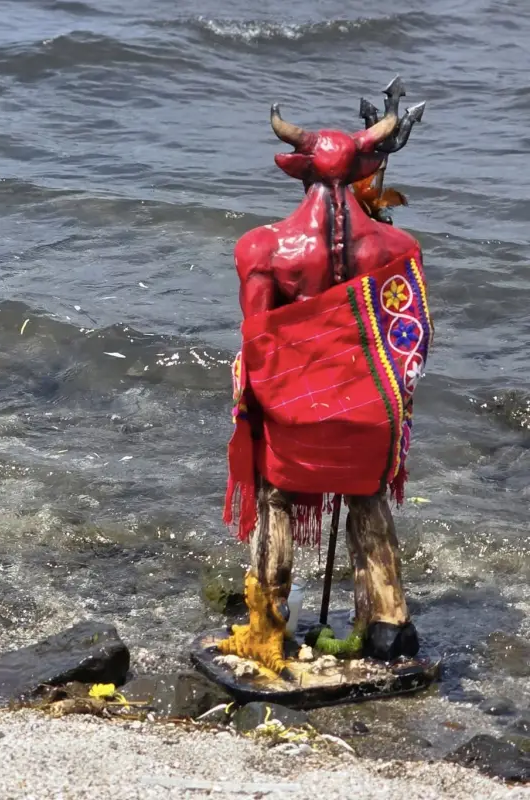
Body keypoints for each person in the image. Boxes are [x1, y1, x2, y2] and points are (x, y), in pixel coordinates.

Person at [220, 78, 430, 669]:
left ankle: (268, 625)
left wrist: (260, 399)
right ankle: (390, 627)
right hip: (368, 410)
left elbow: (260, 340)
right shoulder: (398, 248)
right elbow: (404, 333)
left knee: (276, 498)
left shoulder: (263, 249)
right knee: (367, 500)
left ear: (298, 171)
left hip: (296, 410)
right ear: (366, 170)